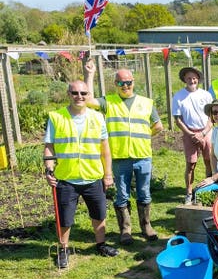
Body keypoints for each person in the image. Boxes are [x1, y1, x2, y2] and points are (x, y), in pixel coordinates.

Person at [84, 60, 163, 244]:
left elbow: (158, 126)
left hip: (142, 155)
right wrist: (89, 75)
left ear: (133, 82)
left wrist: (144, 135)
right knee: (122, 195)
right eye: (121, 82)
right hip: (119, 157)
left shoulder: (146, 102)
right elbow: (88, 101)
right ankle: (125, 230)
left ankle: (146, 227)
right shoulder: (109, 102)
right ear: (115, 85)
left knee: (144, 192)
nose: (125, 85)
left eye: (128, 82)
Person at [43, 80, 119, 268]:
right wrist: (49, 169)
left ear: (88, 95)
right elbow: (49, 147)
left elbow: (105, 149)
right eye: (75, 93)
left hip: (93, 175)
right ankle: (63, 249)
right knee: (65, 217)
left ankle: (101, 244)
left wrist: (107, 174)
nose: (79, 97)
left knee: (99, 213)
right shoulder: (56, 117)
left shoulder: (97, 117)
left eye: (83, 93)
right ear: (68, 94)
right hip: (66, 177)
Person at [172, 67, 214, 205]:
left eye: (194, 78)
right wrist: (190, 134)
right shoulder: (178, 96)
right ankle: (189, 193)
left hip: (205, 132)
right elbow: (178, 119)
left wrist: (203, 132)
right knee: (191, 164)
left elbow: (211, 117)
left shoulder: (206, 95)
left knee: (209, 161)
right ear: (184, 79)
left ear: (198, 79)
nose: (192, 80)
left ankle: (208, 189)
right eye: (189, 78)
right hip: (189, 133)